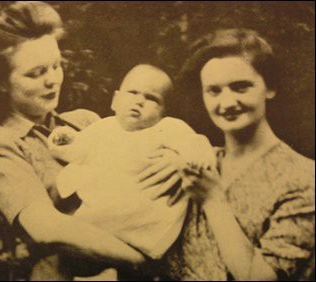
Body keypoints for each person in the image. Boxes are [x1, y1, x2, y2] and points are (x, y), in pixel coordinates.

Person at [0, 2, 151, 280]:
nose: (52, 80)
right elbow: (46, 228)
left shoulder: (86, 122)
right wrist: (142, 258)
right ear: (2, 81)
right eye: (36, 73)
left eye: (56, 66)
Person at [156, 28, 315, 280]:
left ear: (270, 88)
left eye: (240, 87)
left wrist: (213, 200)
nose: (227, 103)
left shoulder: (304, 179)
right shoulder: (198, 162)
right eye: (213, 91)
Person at [48, 64, 215, 266]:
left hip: (144, 226)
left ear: (164, 111)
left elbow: (194, 144)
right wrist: (61, 139)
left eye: (152, 98)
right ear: (115, 100)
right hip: (98, 219)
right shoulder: (104, 128)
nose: (139, 101)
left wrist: (199, 154)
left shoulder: (168, 128)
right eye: (132, 93)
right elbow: (76, 150)